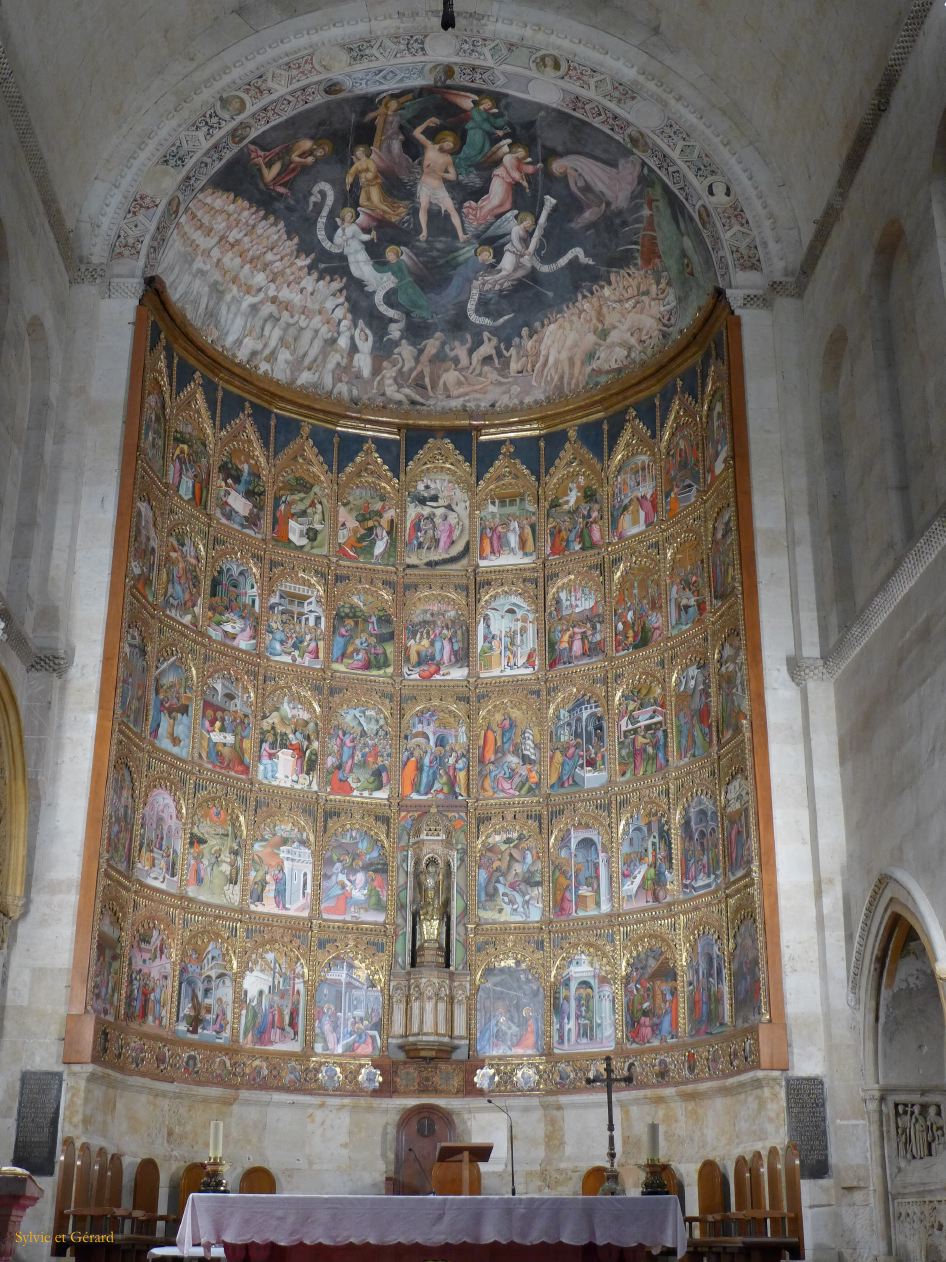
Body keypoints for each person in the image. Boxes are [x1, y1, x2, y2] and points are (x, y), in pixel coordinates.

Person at [412, 118, 469, 242]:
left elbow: (453, 176)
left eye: (451, 147)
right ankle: (424, 232)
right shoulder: (430, 147)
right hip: (426, 184)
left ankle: (461, 235)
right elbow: (416, 133)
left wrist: (439, 173)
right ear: (443, 140)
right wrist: (427, 123)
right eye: (448, 144)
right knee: (424, 206)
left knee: (452, 209)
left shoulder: (448, 158)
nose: (448, 147)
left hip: (439, 186)